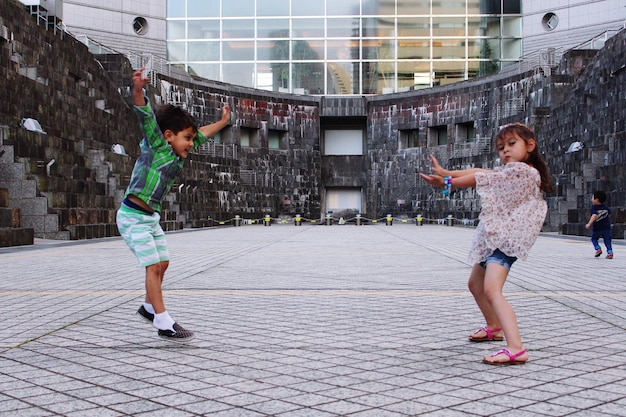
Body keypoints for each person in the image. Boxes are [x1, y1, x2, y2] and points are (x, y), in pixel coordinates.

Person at [420, 123, 553, 365]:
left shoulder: (523, 172)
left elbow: (479, 178)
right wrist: (447, 173)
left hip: (506, 240)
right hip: (495, 237)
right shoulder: (513, 170)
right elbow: (483, 172)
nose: (505, 151)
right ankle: (494, 326)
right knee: (475, 284)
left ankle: (516, 348)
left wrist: (446, 183)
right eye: (501, 147)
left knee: (492, 290)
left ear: (530, 146)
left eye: (512, 144)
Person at [116, 66, 231, 342]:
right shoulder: (157, 145)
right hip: (132, 217)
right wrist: (139, 89)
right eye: (187, 138)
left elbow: (203, 132)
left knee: (163, 263)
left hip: (150, 219)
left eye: (192, 139)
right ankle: (163, 321)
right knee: (153, 266)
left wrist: (223, 122)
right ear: (168, 135)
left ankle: (147, 307)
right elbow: (145, 116)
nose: (192, 143)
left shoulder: (179, 153)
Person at [585, 190, 613, 259]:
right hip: (606, 227)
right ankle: (610, 252)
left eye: (592, 198)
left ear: (596, 200)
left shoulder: (595, 208)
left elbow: (594, 216)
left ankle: (598, 248)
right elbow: (609, 215)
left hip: (598, 228)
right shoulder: (606, 207)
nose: (591, 199)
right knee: (607, 241)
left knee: (594, 239)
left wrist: (589, 224)